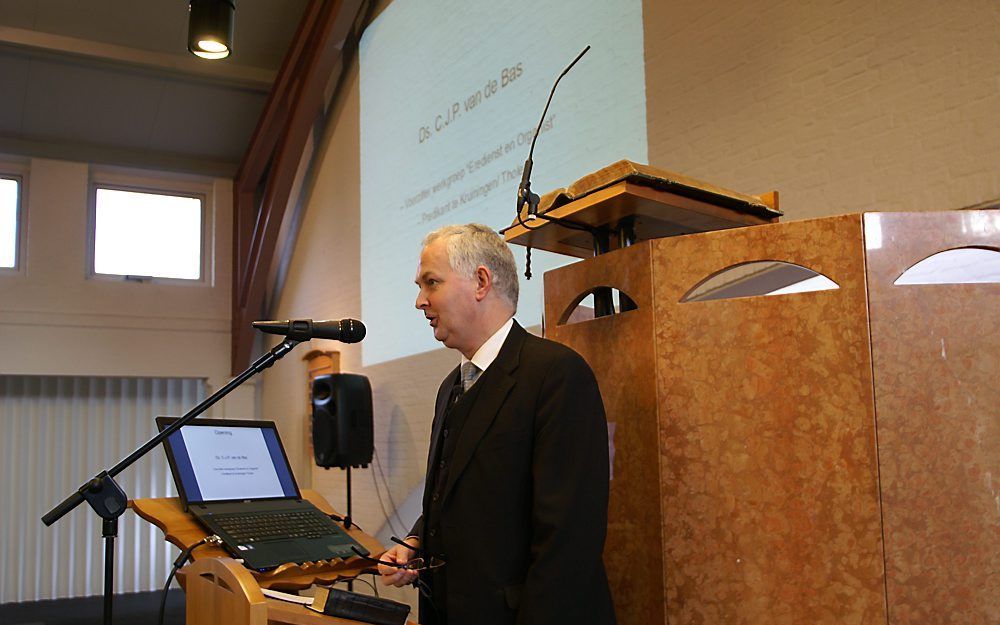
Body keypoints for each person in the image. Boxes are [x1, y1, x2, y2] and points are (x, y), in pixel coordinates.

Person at [378, 224, 616, 625]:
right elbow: (466, 496)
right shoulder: (450, 386)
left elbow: (568, 541)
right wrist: (418, 542)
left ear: (481, 281)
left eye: (431, 283)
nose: (420, 301)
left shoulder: (557, 374)